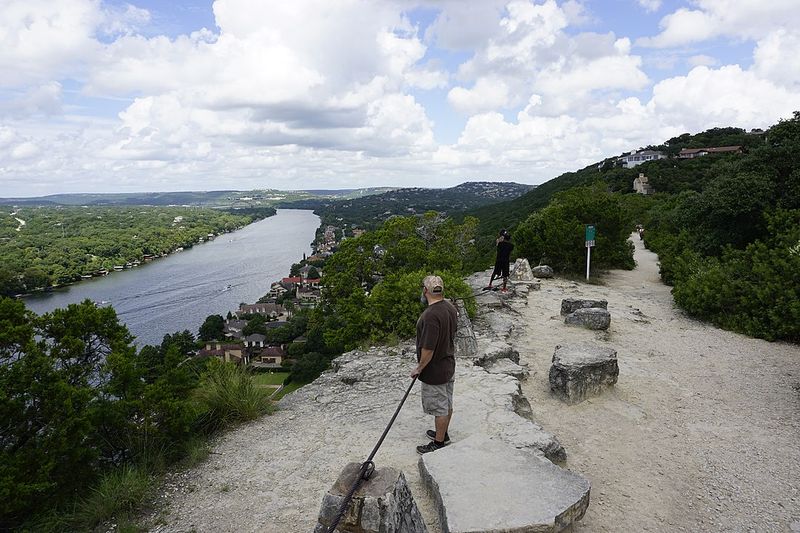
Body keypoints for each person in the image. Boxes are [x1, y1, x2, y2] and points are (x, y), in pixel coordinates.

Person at [411, 275, 458, 454]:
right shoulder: (450, 307)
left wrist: (419, 368)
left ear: (425, 291)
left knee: (440, 408)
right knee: (447, 403)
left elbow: (428, 348)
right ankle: (442, 433)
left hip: (435, 370)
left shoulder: (430, 316)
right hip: (448, 364)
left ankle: (438, 443)